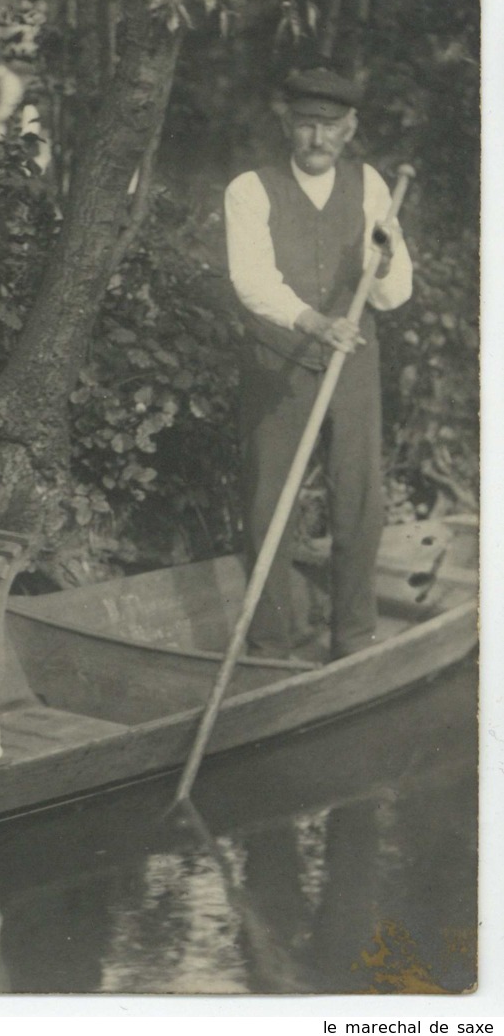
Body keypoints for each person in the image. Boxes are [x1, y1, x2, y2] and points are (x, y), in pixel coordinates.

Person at [223, 66, 412, 659]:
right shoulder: (250, 189)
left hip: (352, 361)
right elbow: (252, 280)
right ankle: (270, 647)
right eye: (305, 124)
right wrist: (311, 321)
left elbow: (395, 292)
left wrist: (381, 265)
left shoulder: (373, 187)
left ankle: (352, 641)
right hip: (277, 363)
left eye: (330, 126)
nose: (316, 139)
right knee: (268, 503)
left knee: (358, 499)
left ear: (350, 127)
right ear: (287, 123)